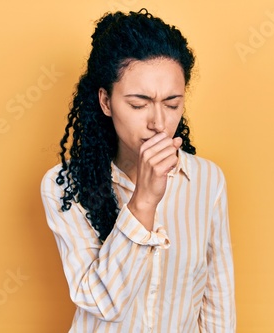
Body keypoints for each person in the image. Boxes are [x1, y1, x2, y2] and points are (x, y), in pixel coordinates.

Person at [41, 8, 235, 332]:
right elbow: (104, 302)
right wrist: (143, 201)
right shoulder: (64, 186)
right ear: (106, 102)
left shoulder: (207, 181)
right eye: (138, 104)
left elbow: (218, 304)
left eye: (172, 104)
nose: (158, 123)